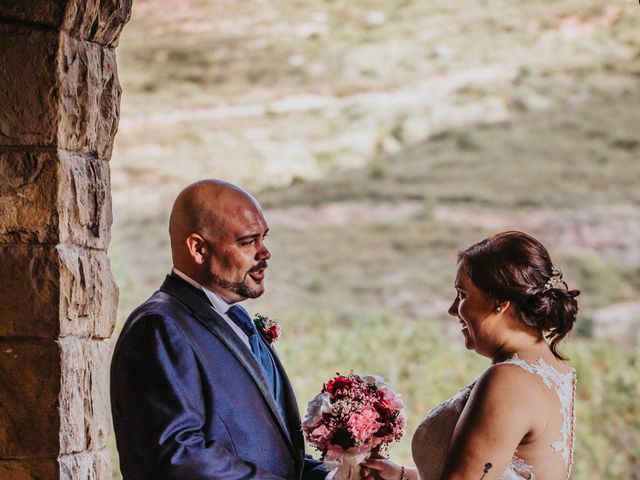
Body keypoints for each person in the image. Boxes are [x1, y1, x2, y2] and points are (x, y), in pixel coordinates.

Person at [110, 179, 327, 479]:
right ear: (198, 248)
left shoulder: (237, 320)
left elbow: (267, 454)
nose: (265, 253)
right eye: (248, 242)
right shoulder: (159, 327)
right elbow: (178, 458)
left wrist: (333, 476)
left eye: (264, 238)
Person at [363, 231, 579, 480]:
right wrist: (401, 476)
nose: (453, 309)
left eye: (463, 295)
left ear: (499, 302)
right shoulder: (552, 369)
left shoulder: (509, 381)